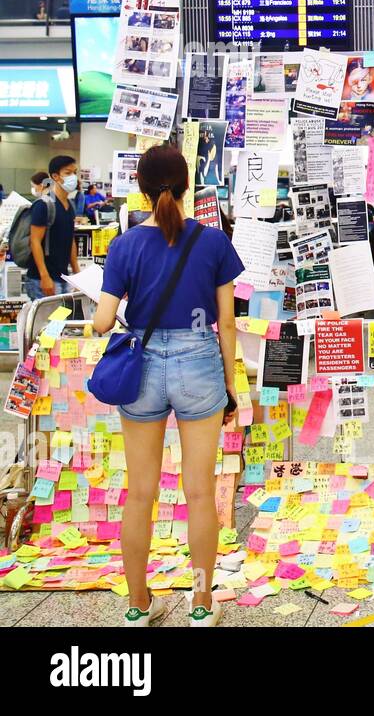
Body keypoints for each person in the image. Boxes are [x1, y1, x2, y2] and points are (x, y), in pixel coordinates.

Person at [93, 145, 245, 627]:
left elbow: (100, 321)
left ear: (140, 187)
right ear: (187, 185)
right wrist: (228, 387)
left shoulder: (124, 245)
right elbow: (226, 322)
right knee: (200, 492)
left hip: (142, 365)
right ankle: (200, 604)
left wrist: (115, 316)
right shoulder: (214, 242)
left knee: (140, 493)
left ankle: (139, 604)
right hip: (200, 362)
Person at [26, 156, 80, 300]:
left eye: (75, 172)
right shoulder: (44, 204)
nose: (73, 177)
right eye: (68, 173)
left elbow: (70, 240)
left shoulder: (70, 205)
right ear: (55, 176)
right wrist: (44, 276)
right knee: (46, 322)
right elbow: (35, 241)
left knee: (61, 321)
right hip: (42, 279)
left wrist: (77, 273)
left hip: (63, 277)